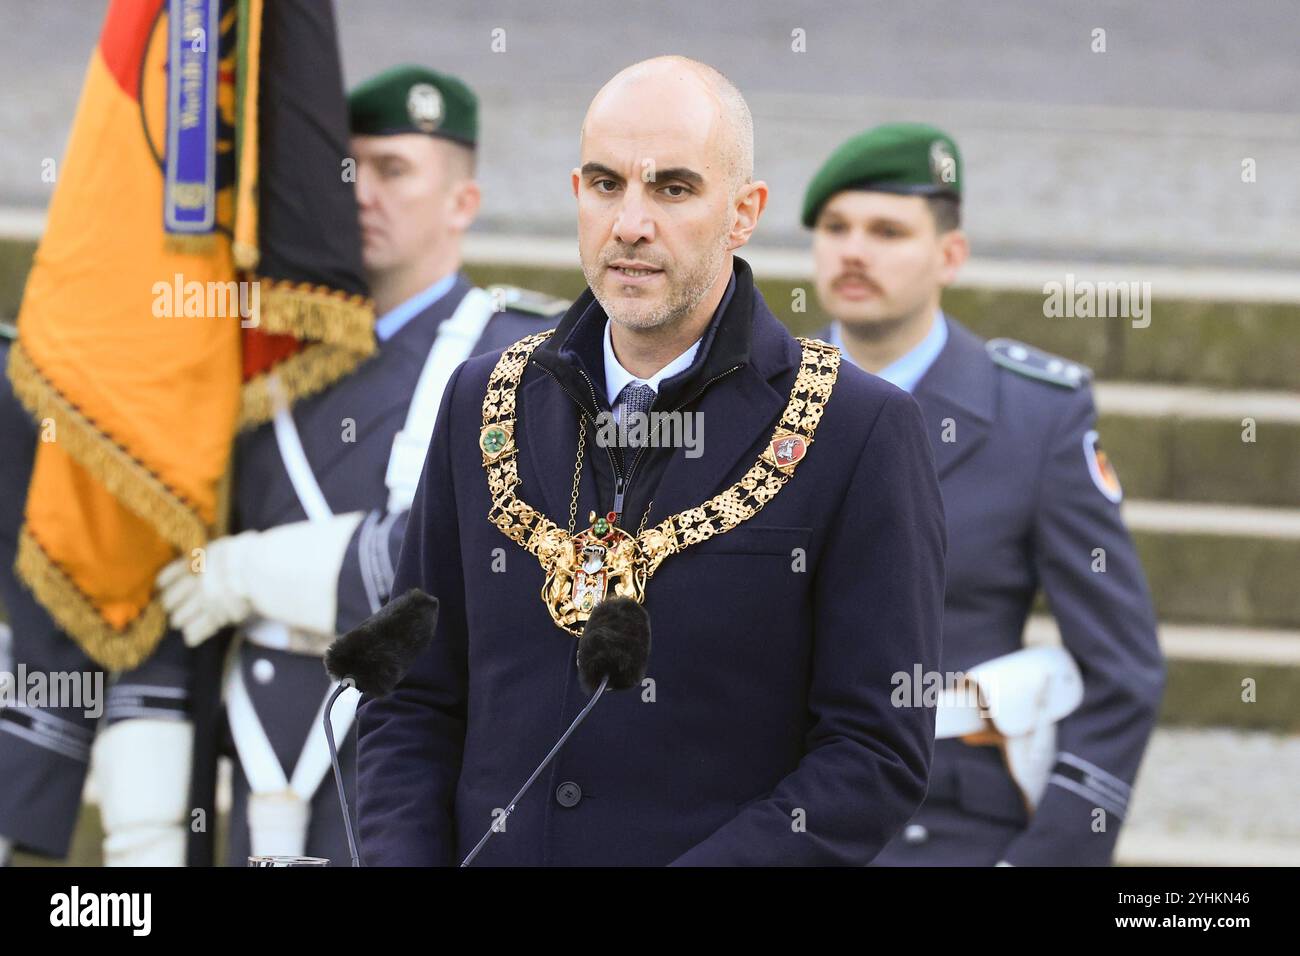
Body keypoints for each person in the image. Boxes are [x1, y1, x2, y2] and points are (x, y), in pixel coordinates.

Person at [356, 56, 946, 867]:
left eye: (672, 189)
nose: (630, 223)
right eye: (605, 185)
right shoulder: (481, 401)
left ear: (744, 212)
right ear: (576, 194)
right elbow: (413, 702)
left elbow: (873, 753)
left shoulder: (859, 428)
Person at [153, 65, 560, 864]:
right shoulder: (265, 356)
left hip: (414, 772)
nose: (361, 192)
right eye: (350, 168)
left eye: (394, 170)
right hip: (252, 757)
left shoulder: (517, 357)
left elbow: (496, 559)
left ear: (462, 204)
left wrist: (266, 571)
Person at [804, 122, 1165, 865]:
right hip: (777, 818)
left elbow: (1122, 671)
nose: (854, 251)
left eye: (887, 230)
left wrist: (1050, 855)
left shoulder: (1035, 419)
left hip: (952, 827)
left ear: (951, 255)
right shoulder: (754, 400)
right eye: (835, 227)